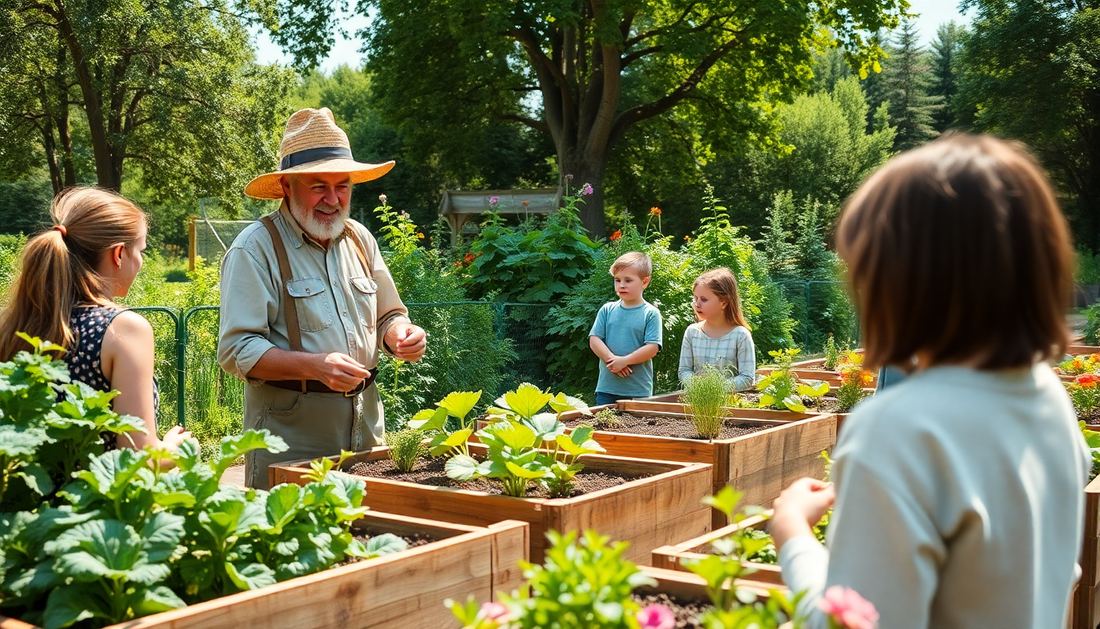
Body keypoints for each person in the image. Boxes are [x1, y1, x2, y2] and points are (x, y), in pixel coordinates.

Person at [769, 134, 1087, 628]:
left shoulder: (898, 429)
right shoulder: (1047, 398)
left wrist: (791, 534)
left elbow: (853, 623)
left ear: (903, 283)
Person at [218, 108, 426, 489]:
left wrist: (400, 334)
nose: (332, 199)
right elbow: (236, 351)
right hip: (291, 438)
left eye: (342, 186)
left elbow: (389, 315)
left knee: (369, 537)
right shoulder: (256, 248)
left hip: (367, 429)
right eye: (318, 186)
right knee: (291, 540)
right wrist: (315, 366)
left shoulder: (360, 239)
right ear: (286, 186)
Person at [0, 187, 192, 452]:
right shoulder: (123, 329)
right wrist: (176, 447)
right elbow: (139, 457)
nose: (141, 261)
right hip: (95, 493)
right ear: (119, 254)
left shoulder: (13, 323)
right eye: (142, 251)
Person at [588, 252, 662, 406]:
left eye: (628, 280)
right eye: (617, 280)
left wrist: (625, 361)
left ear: (645, 281)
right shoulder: (607, 310)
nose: (621, 285)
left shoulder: (651, 313)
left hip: (638, 391)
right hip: (606, 388)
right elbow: (594, 339)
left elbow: (652, 348)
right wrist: (613, 362)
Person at [678, 267, 755, 392]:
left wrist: (715, 389)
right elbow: (684, 371)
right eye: (695, 298)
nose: (697, 304)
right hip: (696, 404)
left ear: (724, 303)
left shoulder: (741, 335)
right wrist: (698, 386)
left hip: (730, 407)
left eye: (704, 299)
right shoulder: (692, 332)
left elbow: (747, 378)